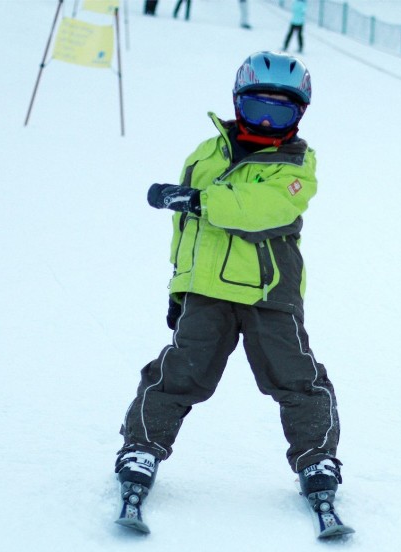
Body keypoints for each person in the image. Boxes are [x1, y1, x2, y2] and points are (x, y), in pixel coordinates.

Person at [114, 51, 344, 519]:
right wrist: (180, 289)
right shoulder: (206, 153)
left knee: (296, 380)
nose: (266, 119)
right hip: (208, 294)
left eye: (280, 111)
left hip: (267, 294)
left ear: (300, 114)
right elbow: (188, 236)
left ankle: (316, 458)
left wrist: (199, 201)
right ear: (238, 102)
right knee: (177, 374)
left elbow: (259, 209)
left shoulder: (296, 166)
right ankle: (142, 448)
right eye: (258, 106)